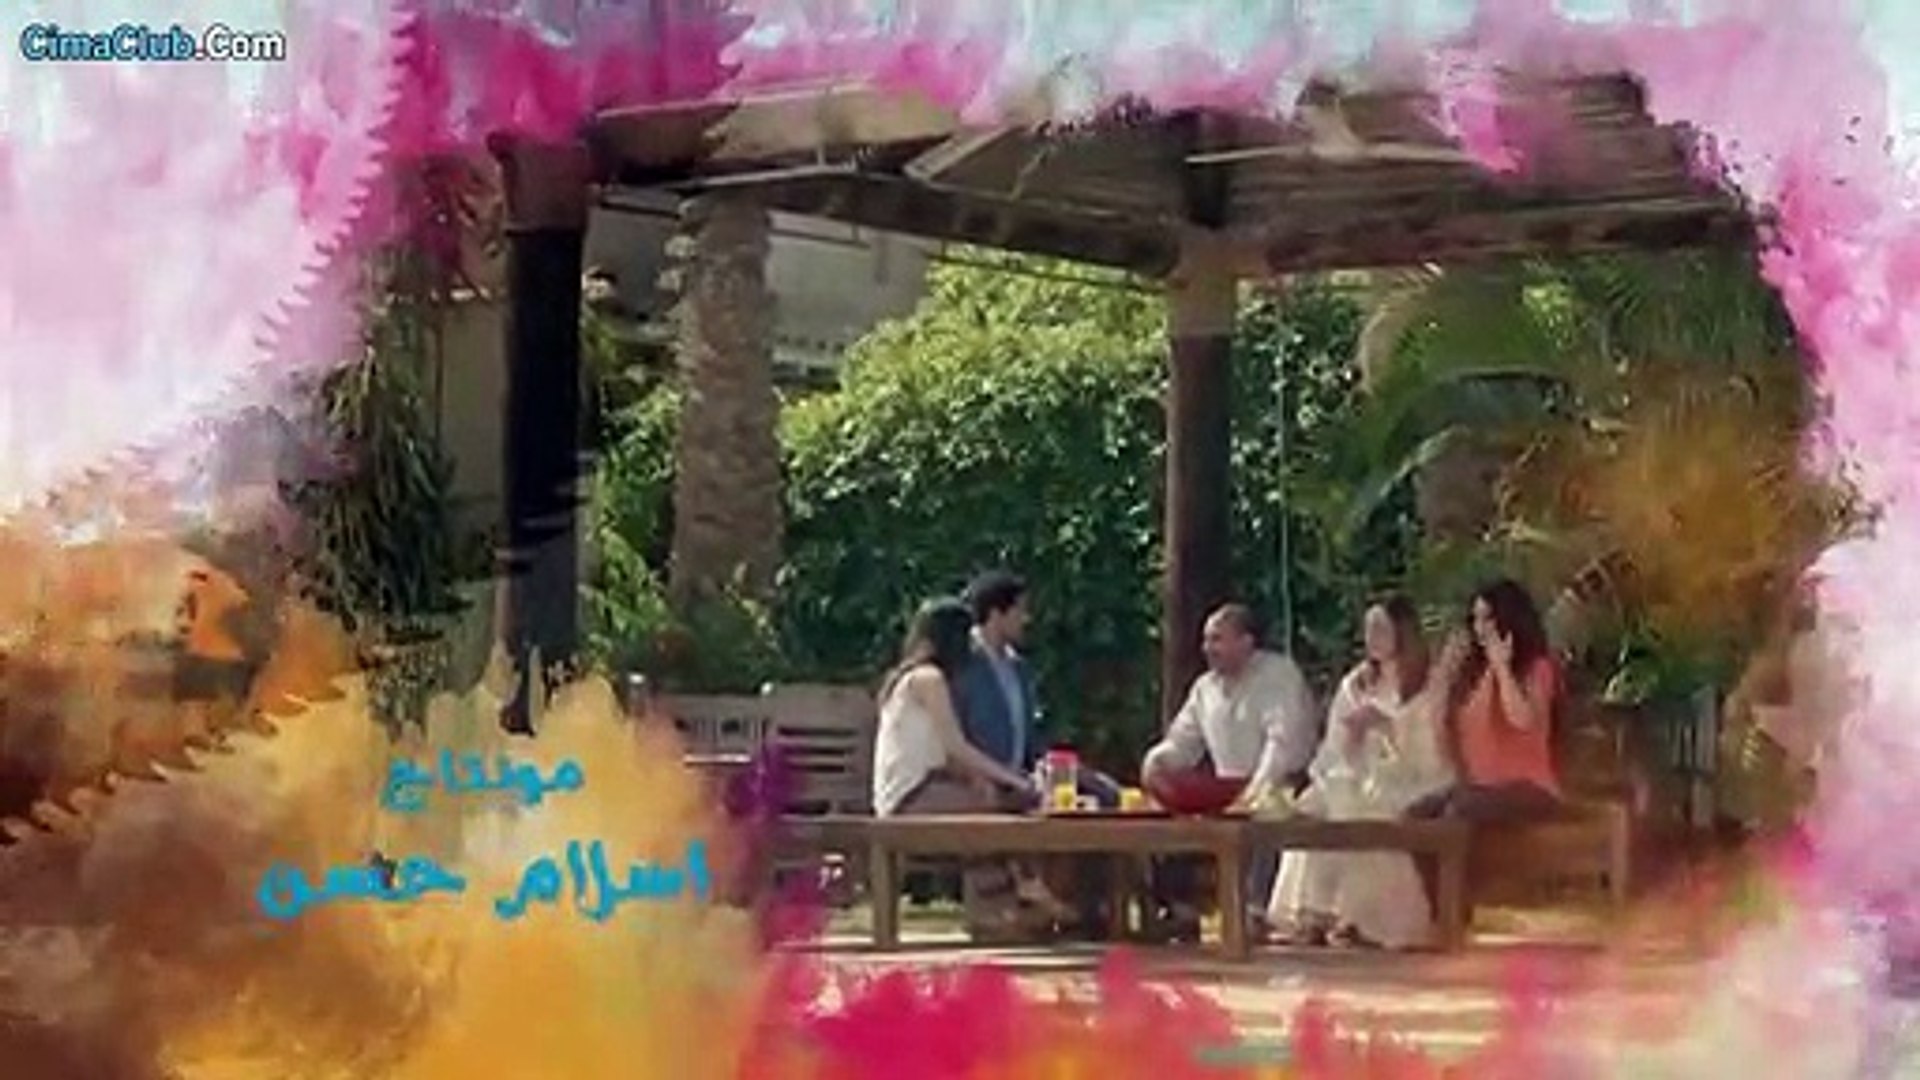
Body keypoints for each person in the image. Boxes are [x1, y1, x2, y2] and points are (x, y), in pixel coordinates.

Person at [869, 597, 1064, 940]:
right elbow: (955, 745)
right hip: (909, 798)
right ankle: (1019, 896)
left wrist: (981, 779)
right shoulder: (928, 679)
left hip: (929, 787)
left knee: (992, 800)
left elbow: (942, 754)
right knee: (1002, 809)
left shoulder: (916, 677)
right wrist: (1014, 779)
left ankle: (1005, 906)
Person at [1268, 596, 1454, 949]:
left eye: (1381, 628)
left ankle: (1361, 919)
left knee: (1364, 810)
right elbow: (1333, 750)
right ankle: (1311, 913)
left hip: (1411, 780)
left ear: (1402, 632)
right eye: (1369, 629)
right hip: (1356, 775)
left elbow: (1433, 755)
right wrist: (1352, 740)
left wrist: (1387, 728)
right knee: (1318, 807)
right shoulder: (1355, 684)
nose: (1372, 637)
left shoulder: (1430, 686)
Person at [1141, 603, 1318, 938]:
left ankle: (1254, 911)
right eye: (1206, 640)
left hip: (1282, 786)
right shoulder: (1205, 688)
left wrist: (1256, 792)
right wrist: (1157, 762)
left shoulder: (1279, 675)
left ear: (1246, 642)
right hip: (1226, 792)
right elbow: (1183, 742)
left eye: (1217, 639)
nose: (1207, 648)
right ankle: (1178, 909)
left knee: (1267, 816)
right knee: (1164, 810)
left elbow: (1283, 744)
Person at [1406, 579, 1563, 823]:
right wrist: (1444, 679)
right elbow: (1447, 745)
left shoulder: (1537, 667)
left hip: (1529, 786)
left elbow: (1522, 721)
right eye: (1475, 619)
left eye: (1487, 619)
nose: (1480, 628)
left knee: (1457, 813)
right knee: (1414, 816)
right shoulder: (1475, 674)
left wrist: (1502, 667)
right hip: (1481, 788)